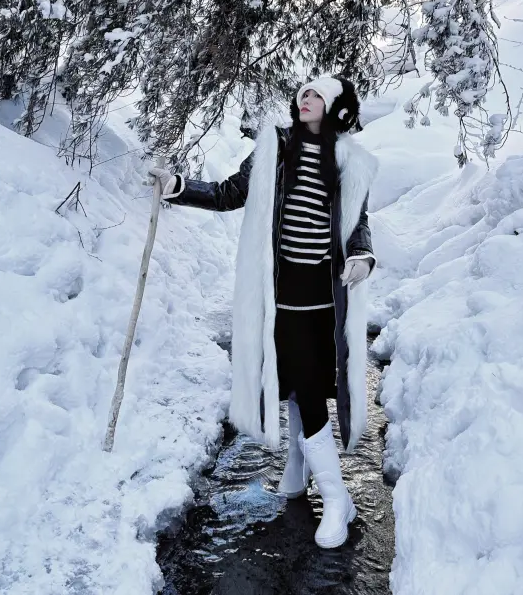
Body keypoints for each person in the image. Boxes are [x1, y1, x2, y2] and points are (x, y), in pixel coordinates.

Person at [149, 76, 377, 549]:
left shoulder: (350, 160)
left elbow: (359, 224)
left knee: (309, 385)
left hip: (326, 295)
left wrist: (361, 256)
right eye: (303, 92)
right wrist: (178, 186)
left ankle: (333, 493)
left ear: (335, 106)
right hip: (281, 293)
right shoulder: (274, 146)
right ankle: (319, 483)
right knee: (298, 382)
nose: (304, 98)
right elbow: (230, 193)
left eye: (316, 94)